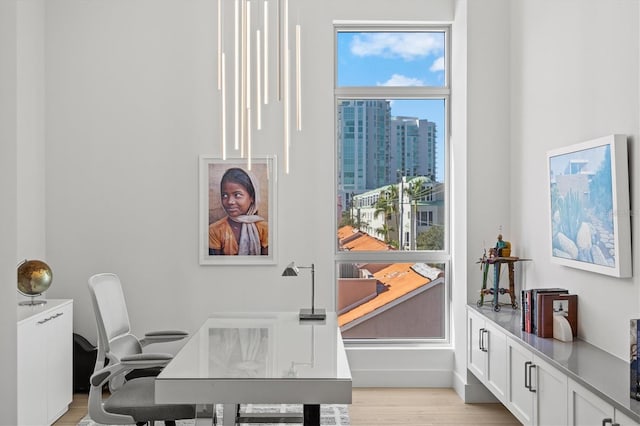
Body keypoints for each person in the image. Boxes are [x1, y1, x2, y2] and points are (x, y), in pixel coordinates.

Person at [209, 167, 268, 255]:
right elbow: (215, 266)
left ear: (252, 197)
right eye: (225, 195)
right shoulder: (214, 230)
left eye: (237, 195)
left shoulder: (265, 229)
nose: (230, 201)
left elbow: (267, 265)